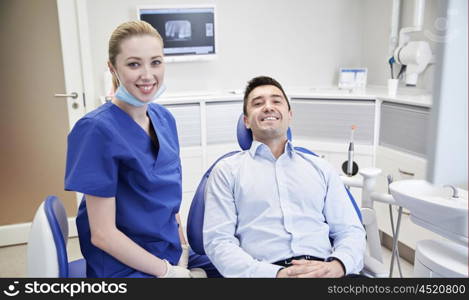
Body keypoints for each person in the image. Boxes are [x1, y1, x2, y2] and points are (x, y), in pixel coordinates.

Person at [65, 21, 218, 278]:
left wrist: (181, 250)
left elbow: (169, 205)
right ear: (112, 68)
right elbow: (102, 235)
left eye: (156, 62)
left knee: (237, 267)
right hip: (123, 265)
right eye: (134, 64)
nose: (148, 75)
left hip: (167, 250)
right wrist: (167, 272)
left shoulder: (165, 119)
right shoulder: (96, 130)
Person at [203, 76, 366, 278]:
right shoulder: (226, 171)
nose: (268, 107)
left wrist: (339, 265)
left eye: (276, 101)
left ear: (289, 115)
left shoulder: (320, 168)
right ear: (246, 121)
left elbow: (350, 230)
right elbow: (219, 243)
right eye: (258, 103)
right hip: (265, 275)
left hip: (326, 270)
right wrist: (277, 275)